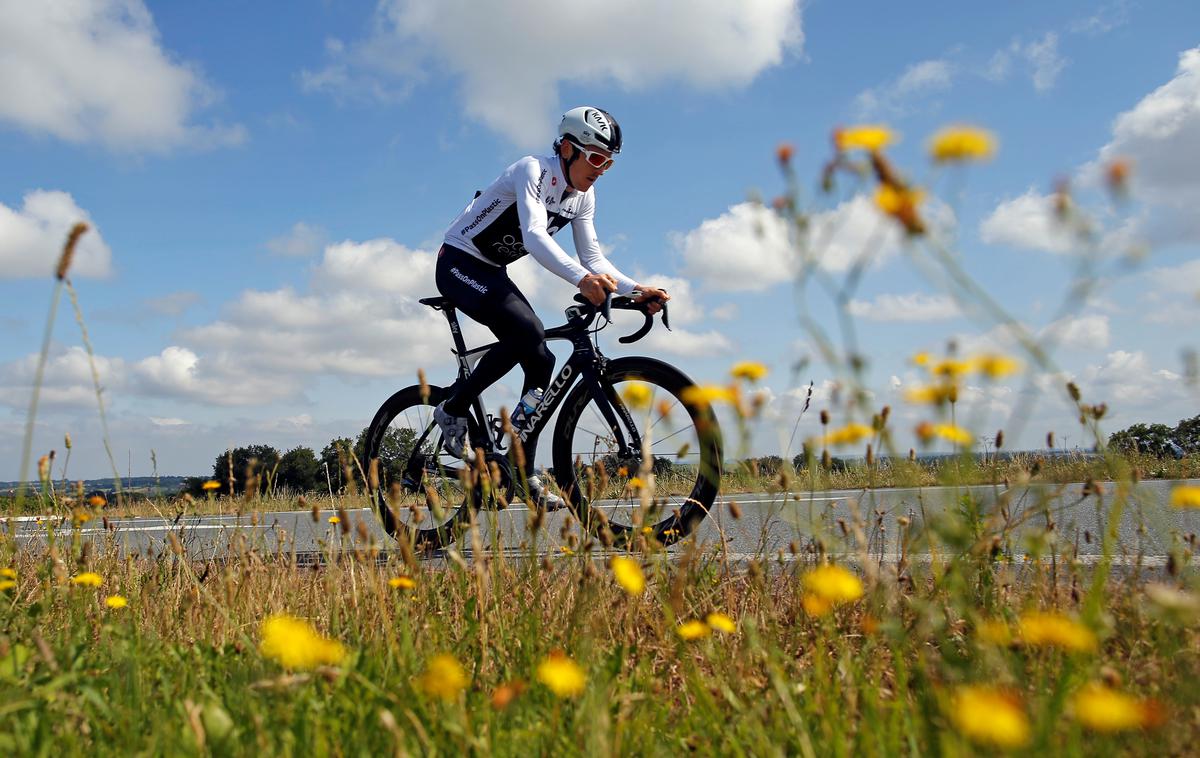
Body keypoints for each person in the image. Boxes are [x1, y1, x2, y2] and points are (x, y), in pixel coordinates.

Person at [432, 106, 668, 507]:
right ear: (567, 148)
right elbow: (536, 235)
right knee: (528, 333)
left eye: (608, 163)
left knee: (541, 360)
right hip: (458, 261)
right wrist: (581, 281)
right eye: (595, 158)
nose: (601, 169)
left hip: (492, 270)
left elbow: (593, 257)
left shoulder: (584, 197)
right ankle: (451, 408)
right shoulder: (533, 171)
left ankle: (520, 470)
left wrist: (635, 289)